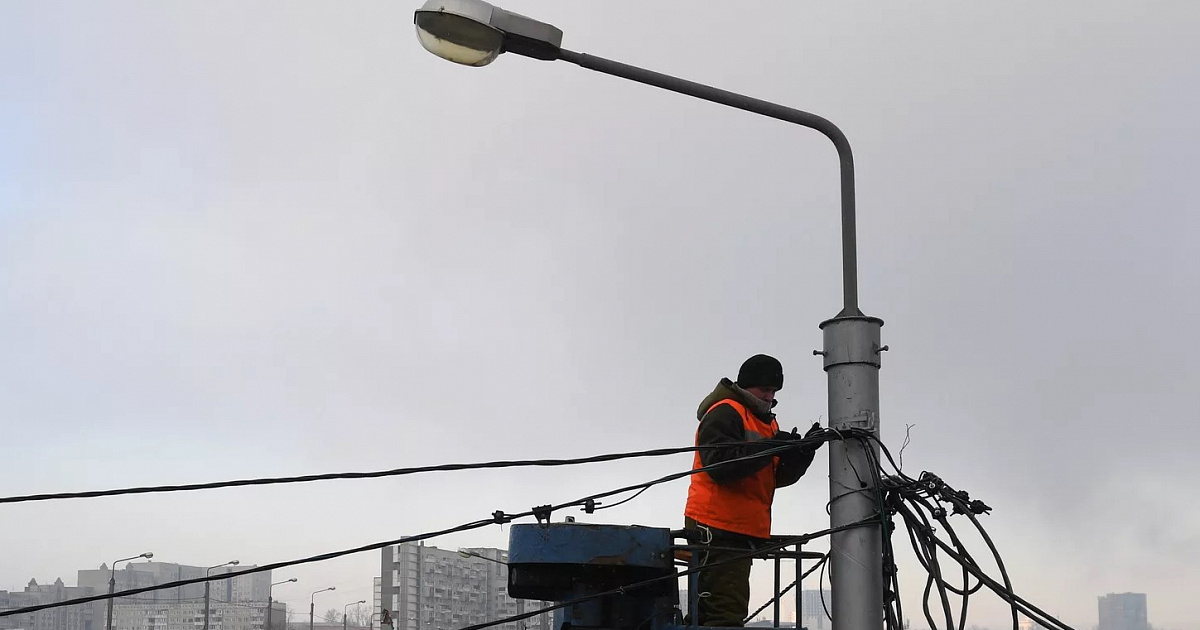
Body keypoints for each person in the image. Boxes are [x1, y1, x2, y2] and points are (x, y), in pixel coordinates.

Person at [683, 354, 823, 627]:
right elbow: (720, 467)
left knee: (713, 611)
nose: (770, 396)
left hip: (738, 530)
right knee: (721, 615)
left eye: (774, 391)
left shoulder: (765, 422)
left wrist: (802, 453)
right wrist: (771, 446)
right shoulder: (726, 412)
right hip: (716, 528)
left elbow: (771, 477)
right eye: (765, 390)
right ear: (746, 386)